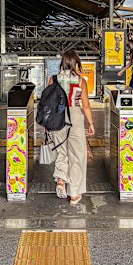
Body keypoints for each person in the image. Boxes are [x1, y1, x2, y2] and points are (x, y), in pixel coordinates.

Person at [49, 50, 95, 205]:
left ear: (62, 62)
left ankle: (61, 179)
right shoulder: (81, 81)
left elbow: (48, 103)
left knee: (61, 150)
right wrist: (91, 123)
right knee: (77, 155)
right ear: (76, 63)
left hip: (57, 117)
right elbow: (86, 105)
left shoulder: (53, 79)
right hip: (74, 116)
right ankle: (74, 194)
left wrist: (47, 125)